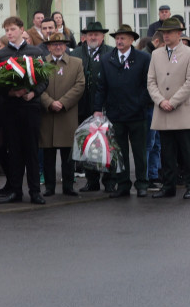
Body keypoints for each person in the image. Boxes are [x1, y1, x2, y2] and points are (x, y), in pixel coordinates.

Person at [0, 16, 48, 205]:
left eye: (12, 29)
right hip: (10, 107)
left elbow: (44, 79)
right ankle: (16, 190)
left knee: (31, 150)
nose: (9, 33)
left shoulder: (35, 51)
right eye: (6, 30)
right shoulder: (1, 55)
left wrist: (32, 93)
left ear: (21, 29)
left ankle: (35, 191)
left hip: (30, 107)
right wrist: (10, 91)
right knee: (14, 151)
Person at [95, 25, 152, 198]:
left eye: (123, 38)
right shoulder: (107, 59)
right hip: (115, 113)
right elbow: (101, 87)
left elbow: (148, 85)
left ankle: (142, 183)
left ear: (132, 40)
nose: (119, 41)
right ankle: (123, 184)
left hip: (137, 113)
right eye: (117, 38)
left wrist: (140, 103)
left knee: (140, 151)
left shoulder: (143, 58)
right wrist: (98, 109)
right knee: (119, 153)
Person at [146, 17, 190, 199]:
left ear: (179, 34)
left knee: (186, 152)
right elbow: (150, 81)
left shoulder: (188, 53)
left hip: (181, 111)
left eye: (169, 32)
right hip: (163, 110)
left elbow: (189, 82)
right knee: (167, 152)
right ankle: (168, 186)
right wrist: (160, 101)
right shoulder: (156, 54)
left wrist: (173, 101)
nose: (166, 35)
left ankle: (189, 185)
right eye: (164, 32)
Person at [38, 33, 86, 198]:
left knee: (68, 154)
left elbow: (80, 86)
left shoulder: (76, 63)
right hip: (48, 114)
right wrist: (49, 102)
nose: (58, 47)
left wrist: (63, 102)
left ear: (65, 46)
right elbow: (36, 85)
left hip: (67, 114)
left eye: (61, 44)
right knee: (48, 155)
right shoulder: (41, 63)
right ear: (49, 47)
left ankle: (68, 186)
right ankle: (49, 187)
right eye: (54, 44)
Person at [71, 21, 113, 192]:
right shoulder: (76, 53)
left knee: (106, 145)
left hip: (104, 106)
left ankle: (109, 181)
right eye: (90, 34)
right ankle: (91, 180)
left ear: (102, 36)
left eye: (96, 34)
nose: (93, 37)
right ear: (85, 37)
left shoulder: (110, 53)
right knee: (87, 145)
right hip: (81, 107)